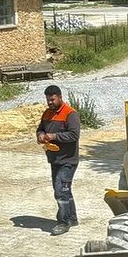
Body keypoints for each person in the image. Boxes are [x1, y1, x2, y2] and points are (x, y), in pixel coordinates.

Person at [37, 85, 81, 236]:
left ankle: (63, 222)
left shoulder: (70, 114)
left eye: (52, 99)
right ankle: (72, 218)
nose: (50, 102)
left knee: (60, 191)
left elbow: (74, 135)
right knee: (64, 190)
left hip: (68, 160)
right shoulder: (47, 114)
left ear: (60, 97)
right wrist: (41, 135)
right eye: (48, 100)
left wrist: (54, 136)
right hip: (54, 159)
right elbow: (40, 128)